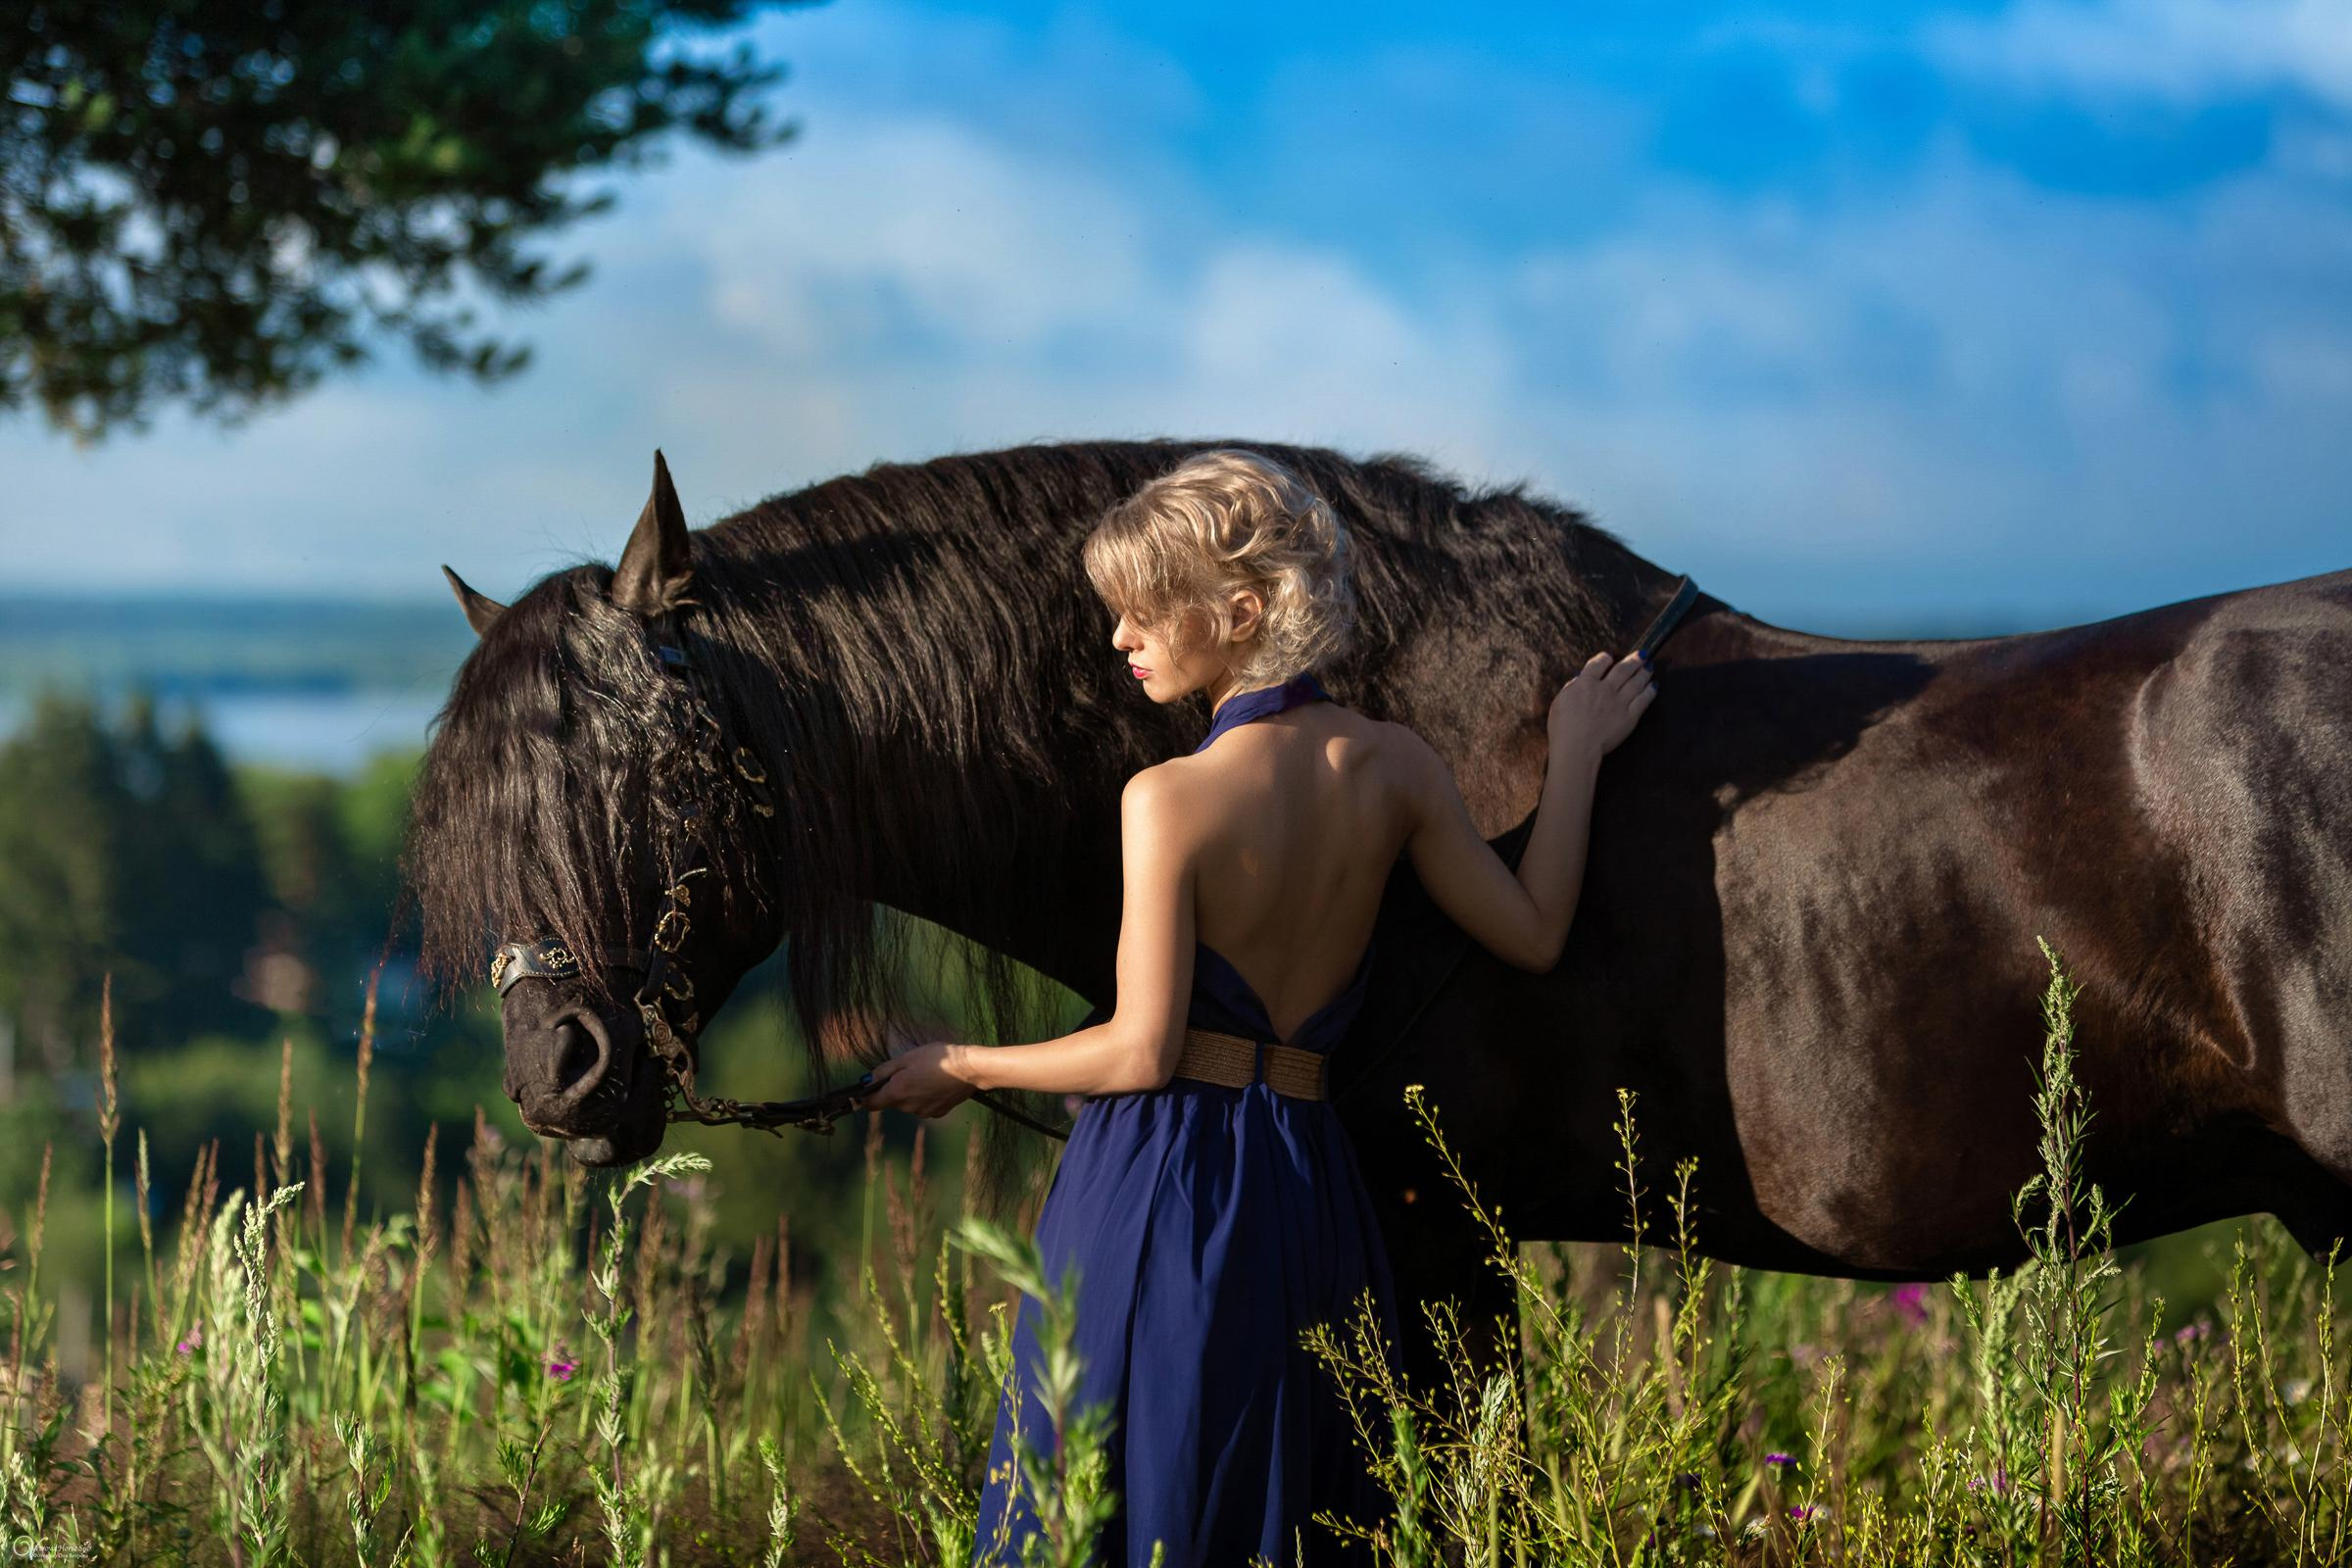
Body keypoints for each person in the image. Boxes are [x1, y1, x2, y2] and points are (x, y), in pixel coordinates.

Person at [862, 448, 1657, 1566]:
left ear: (1241, 611)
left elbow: (1140, 1052)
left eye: (1146, 610)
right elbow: (1535, 933)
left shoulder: (1168, 798)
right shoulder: (1396, 768)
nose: (1120, 637)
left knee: (1113, 1499)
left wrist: (960, 1065)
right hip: (1311, 1184)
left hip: (1162, 1185)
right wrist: (1574, 755)